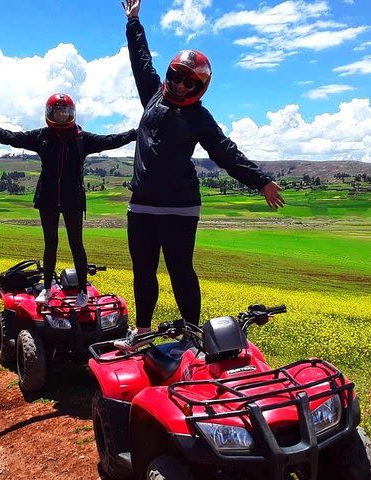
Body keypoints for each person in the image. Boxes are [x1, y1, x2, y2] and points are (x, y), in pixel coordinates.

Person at [115, 0, 285, 349]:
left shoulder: (200, 118)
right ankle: (143, 331)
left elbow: (226, 152)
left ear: (199, 87)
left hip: (180, 207)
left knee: (181, 271)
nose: (179, 85)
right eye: (176, 77)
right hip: (142, 205)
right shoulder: (153, 96)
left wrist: (261, 180)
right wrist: (134, 21)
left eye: (188, 82)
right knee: (143, 272)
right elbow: (140, 59)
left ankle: (192, 335)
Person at [0, 94, 136, 307]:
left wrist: (136, 132)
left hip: (73, 199)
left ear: (72, 113)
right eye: (58, 112)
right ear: (50, 114)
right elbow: (9, 137)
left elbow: (112, 141)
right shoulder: (41, 136)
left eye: (65, 112)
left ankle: (82, 292)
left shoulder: (82, 138)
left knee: (76, 244)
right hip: (48, 198)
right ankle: (48, 288)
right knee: (50, 244)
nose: (62, 116)